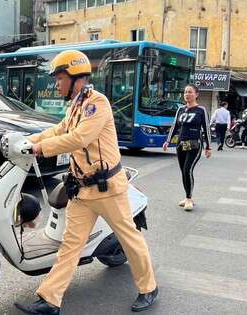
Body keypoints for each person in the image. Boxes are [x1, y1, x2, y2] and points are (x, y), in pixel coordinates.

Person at [15, 50, 157, 315]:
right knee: (71, 244)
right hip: (81, 189)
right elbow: (60, 130)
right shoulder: (75, 105)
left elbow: (79, 138)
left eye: (59, 78)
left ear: (74, 77)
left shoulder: (96, 104)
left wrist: (40, 149)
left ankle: (148, 287)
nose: (57, 84)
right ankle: (50, 300)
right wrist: (29, 140)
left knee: (129, 238)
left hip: (107, 189)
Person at [163, 84, 212, 210]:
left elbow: (206, 128)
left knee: (187, 170)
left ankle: (189, 199)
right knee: (183, 172)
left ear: (196, 94)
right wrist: (168, 141)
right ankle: (187, 197)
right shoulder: (180, 109)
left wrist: (208, 146)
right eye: (185, 92)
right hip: (180, 144)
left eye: (190, 92)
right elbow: (175, 126)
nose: (187, 94)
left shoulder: (201, 110)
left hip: (195, 145)